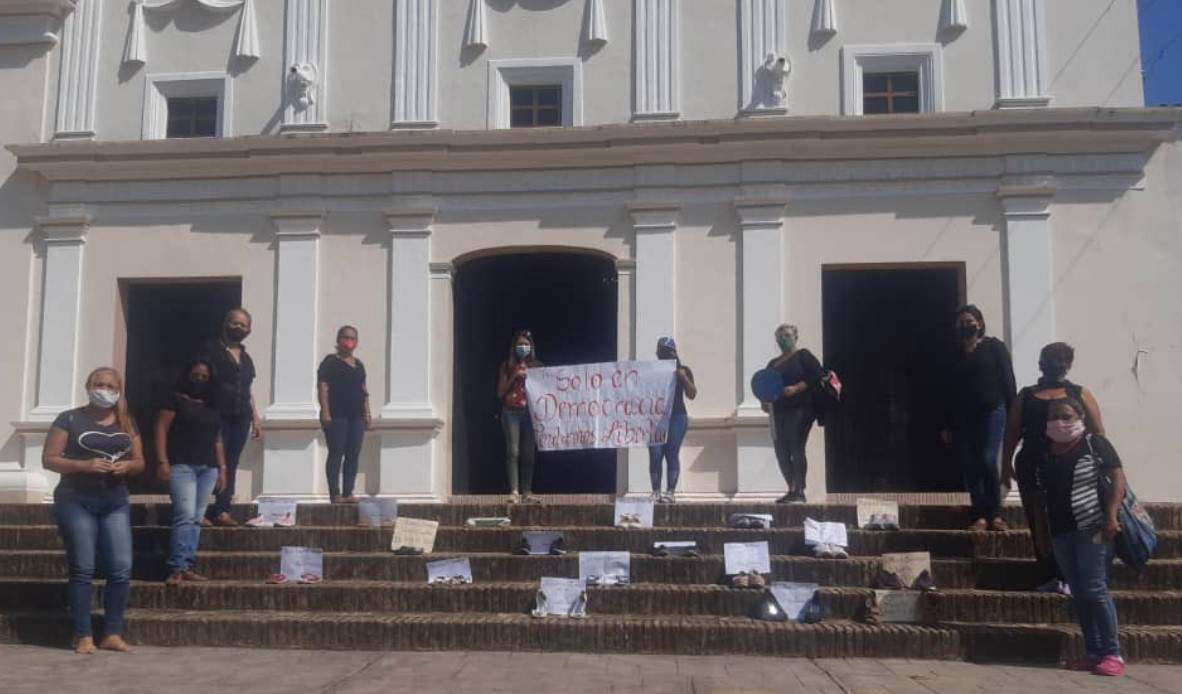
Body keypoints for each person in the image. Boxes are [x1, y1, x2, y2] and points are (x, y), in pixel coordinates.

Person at [42, 367, 144, 654]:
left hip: (115, 501)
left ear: (118, 390)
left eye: (110, 385)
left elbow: (140, 462)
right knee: (83, 567)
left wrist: (127, 466)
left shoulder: (127, 422)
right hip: (76, 500)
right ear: (88, 386)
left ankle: (112, 632)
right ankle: (83, 635)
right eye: (99, 384)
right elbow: (49, 459)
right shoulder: (70, 418)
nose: (104, 389)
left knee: (121, 567)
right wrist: (82, 465)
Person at [1002, 342, 1105, 595]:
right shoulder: (1025, 395)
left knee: (1063, 518)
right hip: (1031, 465)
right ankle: (1047, 573)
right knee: (1037, 521)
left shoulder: (1080, 394)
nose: (1053, 365)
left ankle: (1068, 574)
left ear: (1068, 366)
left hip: (1067, 467)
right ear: (1040, 363)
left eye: (1059, 360)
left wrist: (1097, 462)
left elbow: (1098, 431)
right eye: (1049, 359)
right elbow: (1012, 432)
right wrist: (1005, 464)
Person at [1043, 397, 1126, 677]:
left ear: (1080, 416)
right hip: (1060, 531)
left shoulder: (1096, 445)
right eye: (1053, 416)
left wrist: (1111, 515)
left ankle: (1112, 652)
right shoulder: (1047, 451)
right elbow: (1039, 496)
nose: (1059, 421)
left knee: (1095, 588)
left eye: (1065, 415)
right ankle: (1093, 651)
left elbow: (1117, 479)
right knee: (1078, 593)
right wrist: (1042, 533)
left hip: (1092, 528)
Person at [941, 305, 1016, 532]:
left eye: (970, 321)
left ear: (980, 323)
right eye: (961, 323)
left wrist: (1015, 415)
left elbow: (1008, 381)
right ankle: (979, 516)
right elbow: (947, 390)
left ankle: (995, 513)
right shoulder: (954, 354)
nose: (966, 326)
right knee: (971, 465)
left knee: (987, 459)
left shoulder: (994, 348)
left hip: (993, 412)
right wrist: (947, 423)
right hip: (964, 416)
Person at [155, 360, 226, 586]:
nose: (200, 380)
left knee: (196, 519)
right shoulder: (175, 400)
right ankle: (176, 567)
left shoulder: (212, 405)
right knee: (184, 515)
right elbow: (161, 428)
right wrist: (162, 461)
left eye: (205, 377)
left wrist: (223, 469)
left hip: (209, 468)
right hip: (182, 465)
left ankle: (186, 565)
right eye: (196, 375)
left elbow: (218, 439)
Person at [199, 308, 262, 527]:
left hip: (240, 416)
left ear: (249, 330)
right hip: (214, 414)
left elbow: (247, 389)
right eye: (235, 323)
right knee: (213, 462)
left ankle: (222, 509)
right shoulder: (209, 350)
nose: (238, 328)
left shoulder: (247, 358)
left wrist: (255, 417)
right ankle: (201, 510)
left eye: (243, 325)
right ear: (226, 323)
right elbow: (199, 381)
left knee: (231, 462)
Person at [763, 324, 822, 504]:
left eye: (787, 335)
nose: (783, 339)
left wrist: (796, 388)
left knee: (796, 448)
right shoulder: (772, 364)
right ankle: (790, 488)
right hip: (778, 411)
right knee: (781, 451)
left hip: (800, 410)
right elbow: (765, 386)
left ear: (796, 337)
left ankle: (800, 491)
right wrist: (764, 402)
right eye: (780, 336)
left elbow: (817, 375)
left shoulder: (803, 356)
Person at [318, 325, 371, 503]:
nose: (349, 341)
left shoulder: (359, 365)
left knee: (353, 453)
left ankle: (348, 492)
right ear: (338, 339)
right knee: (336, 452)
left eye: (353, 338)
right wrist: (325, 411)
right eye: (346, 337)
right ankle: (335, 493)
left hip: (356, 416)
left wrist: (367, 413)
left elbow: (364, 390)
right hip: (336, 415)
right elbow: (323, 387)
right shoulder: (330, 362)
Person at [649, 337, 697, 503]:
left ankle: (670, 492)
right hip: (654, 419)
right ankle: (655, 491)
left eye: (667, 352)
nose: (664, 355)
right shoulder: (650, 371)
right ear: (657, 353)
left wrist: (683, 378)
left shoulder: (683, 370)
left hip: (677, 417)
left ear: (675, 353)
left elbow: (692, 394)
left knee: (671, 453)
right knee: (655, 454)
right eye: (661, 352)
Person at [496, 329, 540, 504]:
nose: (523, 347)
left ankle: (527, 490)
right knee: (513, 451)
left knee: (529, 453)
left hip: (531, 413)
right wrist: (515, 375)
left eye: (526, 344)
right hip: (511, 412)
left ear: (531, 347)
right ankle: (514, 491)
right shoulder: (507, 366)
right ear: (514, 347)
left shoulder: (537, 367)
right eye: (520, 344)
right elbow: (500, 392)